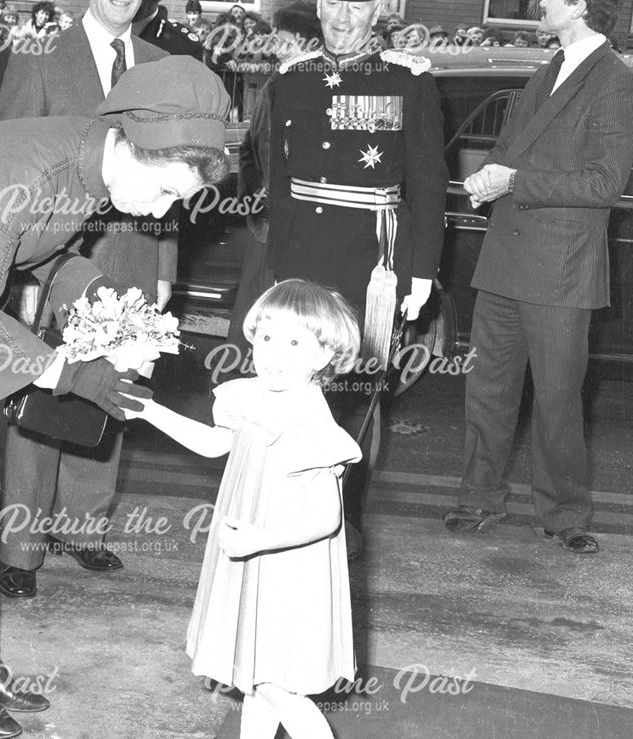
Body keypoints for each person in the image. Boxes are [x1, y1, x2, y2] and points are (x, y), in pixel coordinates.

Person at [0, 56, 230, 737]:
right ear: (131, 141)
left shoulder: (89, 163)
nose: (162, 214)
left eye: (175, 202)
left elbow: (43, 257)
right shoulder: (28, 170)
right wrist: (72, 372)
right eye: (162, 191)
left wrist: (111, 310)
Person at [126, 279, 362, 739]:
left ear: (322, 357)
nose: (275, 354)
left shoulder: (312, 423)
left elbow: (326, 518)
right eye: (267, 338)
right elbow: (215, 444)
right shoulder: (247, 396)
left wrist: (260, 540)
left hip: (285, 564)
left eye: (295, 342)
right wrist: (150, 411)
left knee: (279, 688)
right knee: (254, 677)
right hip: (249, 554)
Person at [0, 0, 172, 600]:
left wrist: (164, 269)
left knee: (112, 388)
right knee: (43, 387)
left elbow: (175, 170)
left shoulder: (159, 65)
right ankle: (21, 546)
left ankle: (83, 527)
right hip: (49, 258)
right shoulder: (40, 55)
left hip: (133, 252)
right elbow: (8, 157)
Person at [442, 0, 633, 555]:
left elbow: (603, 182)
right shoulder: (548, 69)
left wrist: (514, 180)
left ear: (578, 6)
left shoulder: (613, 79)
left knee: (557, 399)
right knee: (487, 392)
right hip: (505, 260)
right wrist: (485, 178)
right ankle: (479, 499)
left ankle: (564, 513)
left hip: (562, 266)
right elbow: (507, 149)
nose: (537, 4)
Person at [263, 0, 447, 559]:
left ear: (379, 11)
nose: (342, 18)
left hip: (371, 267)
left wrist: (421, 273)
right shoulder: (290, 80)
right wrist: (277, 268)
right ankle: (285, 512)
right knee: (289, 390)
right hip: (301, 262)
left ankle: (344, 525)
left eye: (358, 5)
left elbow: (427, 182)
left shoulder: (405, 81)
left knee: (354, 395)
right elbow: (276, 180)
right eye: (333, 3)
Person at [226, 2, 319, 355]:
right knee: (254, 302)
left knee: (288, 311)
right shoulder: (274, 86)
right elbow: (249, 148)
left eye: (285, 42)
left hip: (301, 226)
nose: (276, 49)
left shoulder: (322, 91)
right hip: (266, 223)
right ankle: (237, 370)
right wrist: (254, 193)